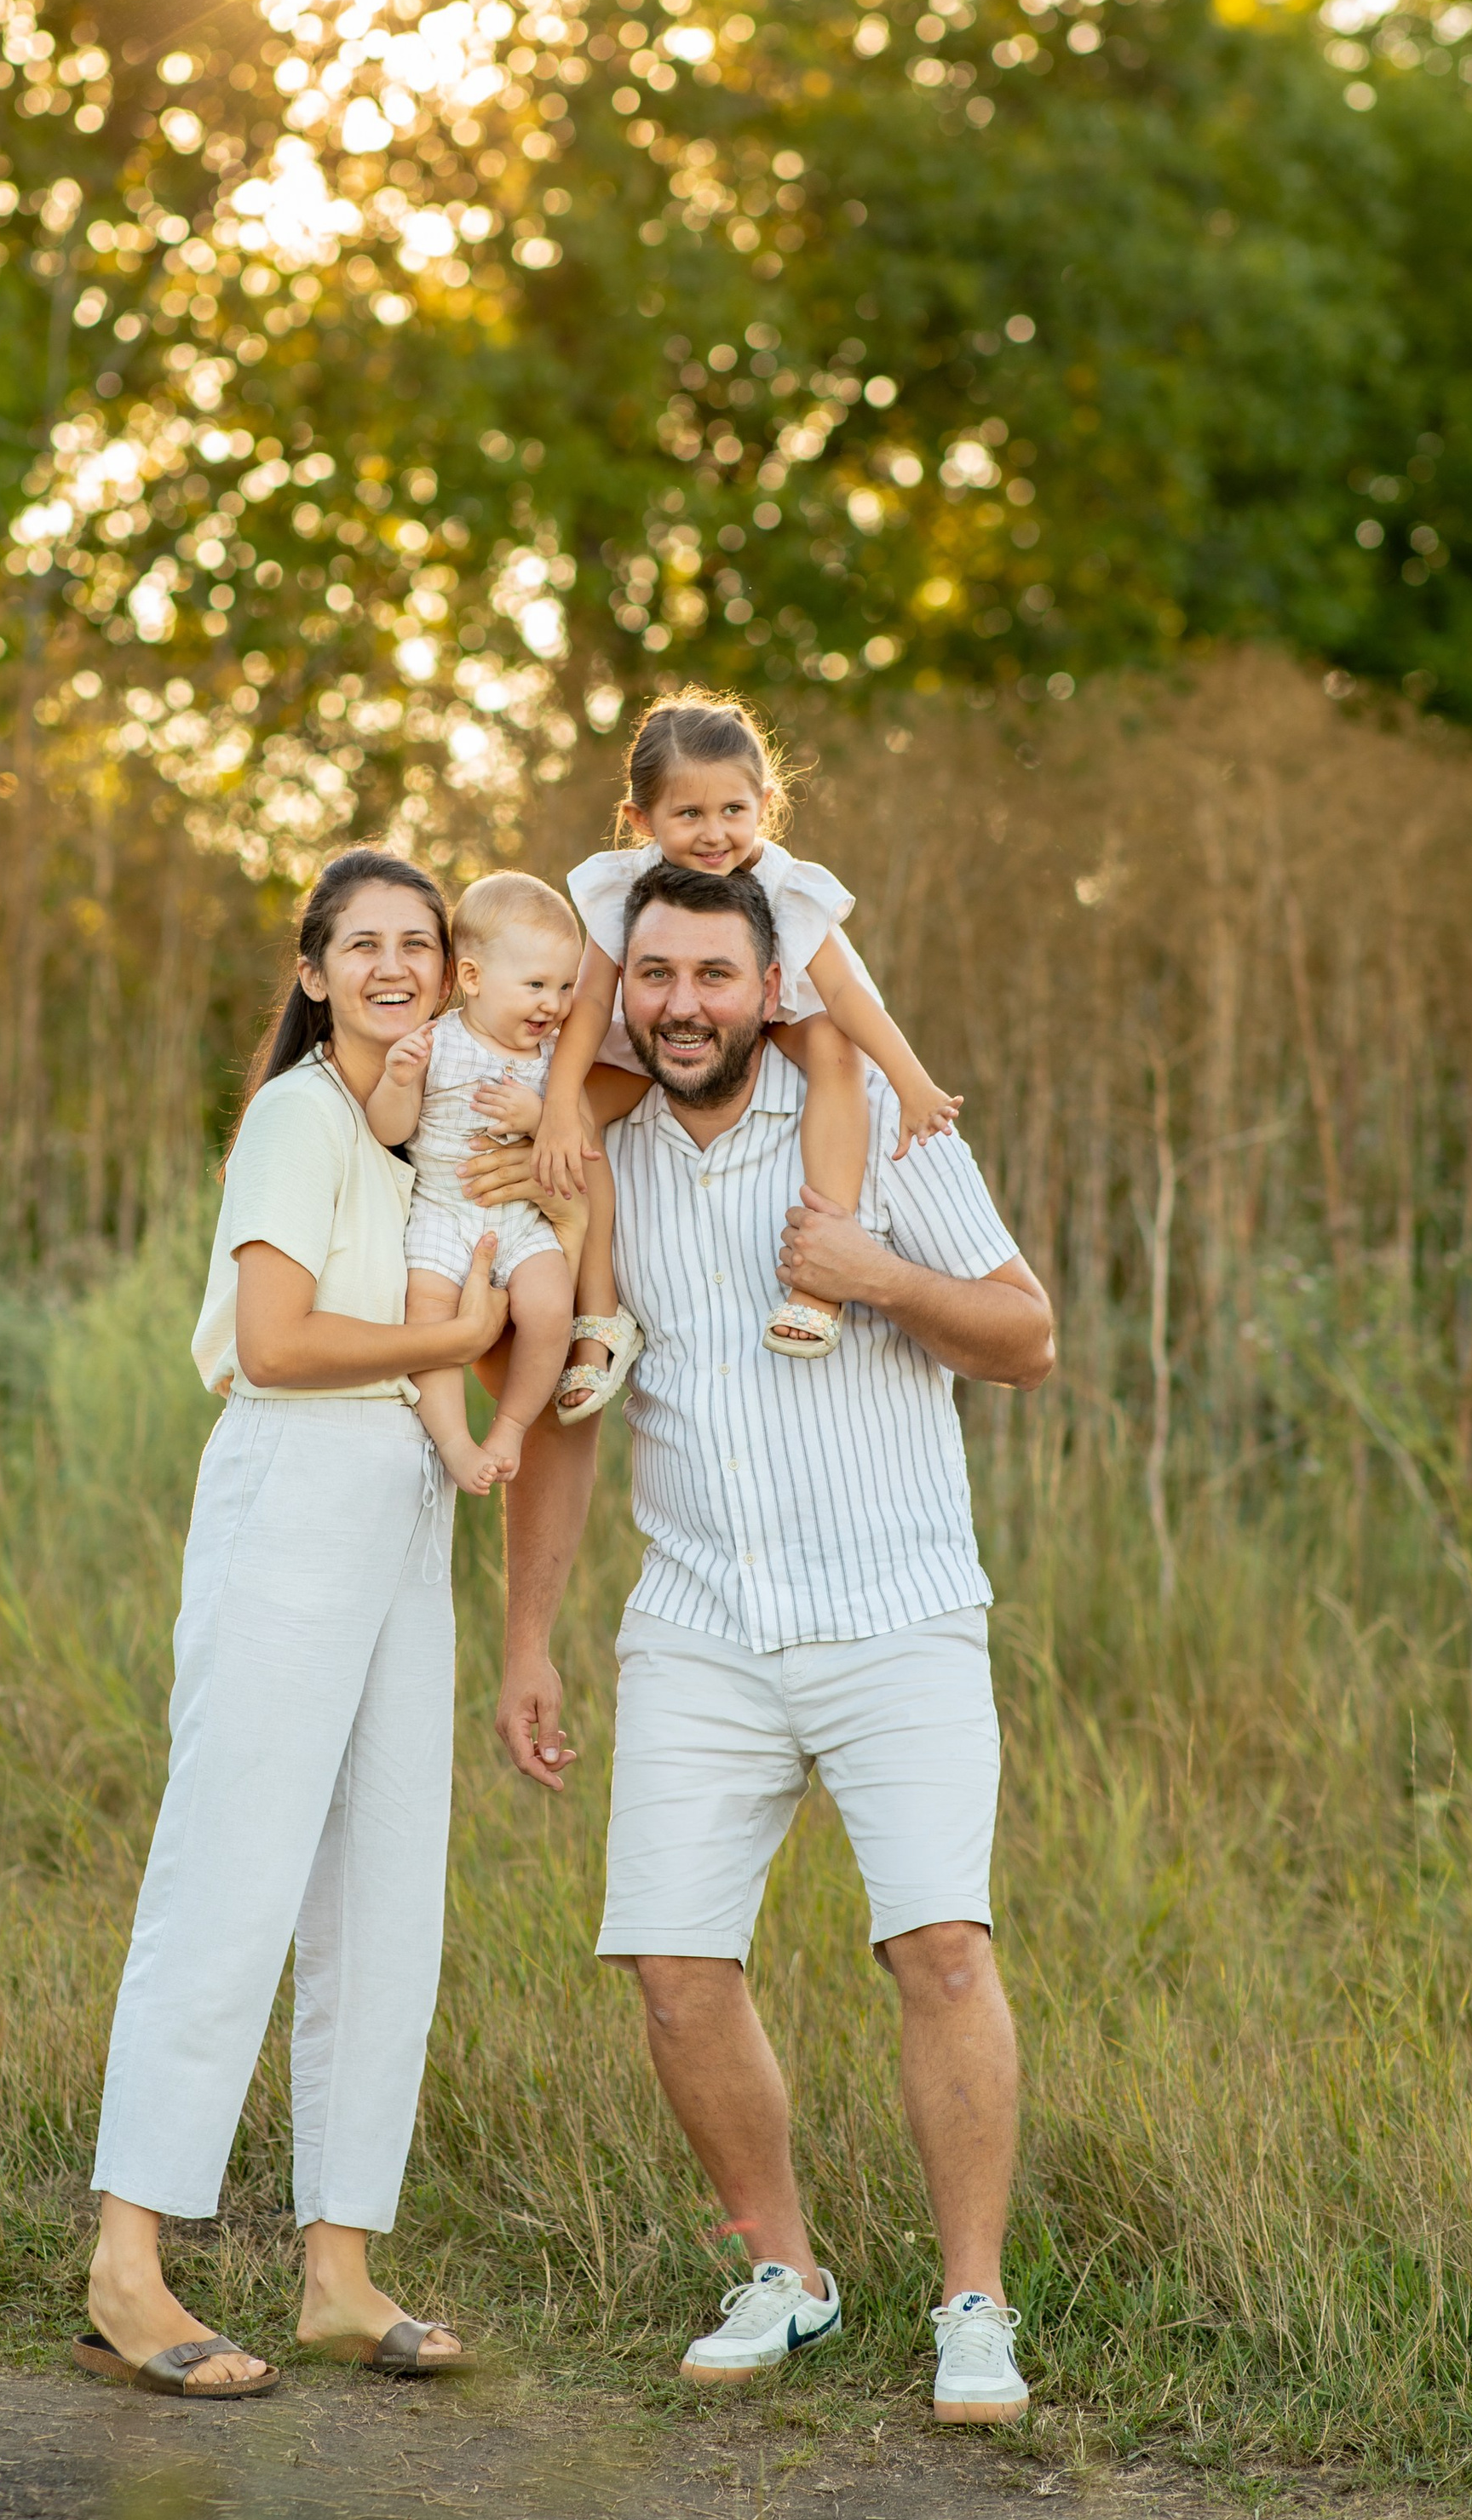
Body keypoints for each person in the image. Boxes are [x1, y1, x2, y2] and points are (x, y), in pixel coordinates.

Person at [472, 858, 1056, 2417]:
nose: (681, 1005)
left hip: (899, 1609)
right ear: (625, 983)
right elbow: (577, 1416)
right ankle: (784, 2273)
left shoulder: (868, 1128)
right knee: (672, 1968)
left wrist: (874, 1275)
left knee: (939, 1947)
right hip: (699, 1624)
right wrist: (527, 1643)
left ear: (772, 981)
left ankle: (972, 2304)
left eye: (714, 977)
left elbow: (1029, 1336)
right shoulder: (594, 1155)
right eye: (653, 975)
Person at [78, 848, 509, 2400]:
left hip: (401, 1507)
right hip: (295, 1490)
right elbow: (270, 1340)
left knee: (388, 1886)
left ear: (456, 978)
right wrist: (454, 1333)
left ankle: (339, 2269)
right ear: (315, 972)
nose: (400, 964)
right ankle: (128, 2264)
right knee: (235, 1869)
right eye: (365, 943)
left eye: (425, 943)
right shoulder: (295, 1117)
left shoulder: (433, 1146)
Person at [532, 692, 963, 1370]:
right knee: (574, 1111)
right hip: (659, 1034)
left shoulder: (785, 886)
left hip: (777, 1020)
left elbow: (844, 992)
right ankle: (602, 1312)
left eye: (734, 810)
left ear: (766, 802)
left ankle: (818, 1283)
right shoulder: (624, 888)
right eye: (688, 814)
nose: (714, 834)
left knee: (831, 1046)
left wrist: (912, 1083)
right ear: (640, 819)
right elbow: (589, 1003)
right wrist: (559, 1108)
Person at [366, 869, 633, 1494]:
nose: (554, 1003)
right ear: (473, 978)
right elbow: (390, 1130)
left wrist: (542, 1117)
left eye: (566, 986)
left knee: (548, 1308)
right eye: (536, 984)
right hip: (442, 1211)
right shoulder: (435, 1043)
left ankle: (510, 1426)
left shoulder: (555, 1058)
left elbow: (575, 1146)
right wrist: (397, 1084)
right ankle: (456, 1442)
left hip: (521, 1219)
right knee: (427, 1317)